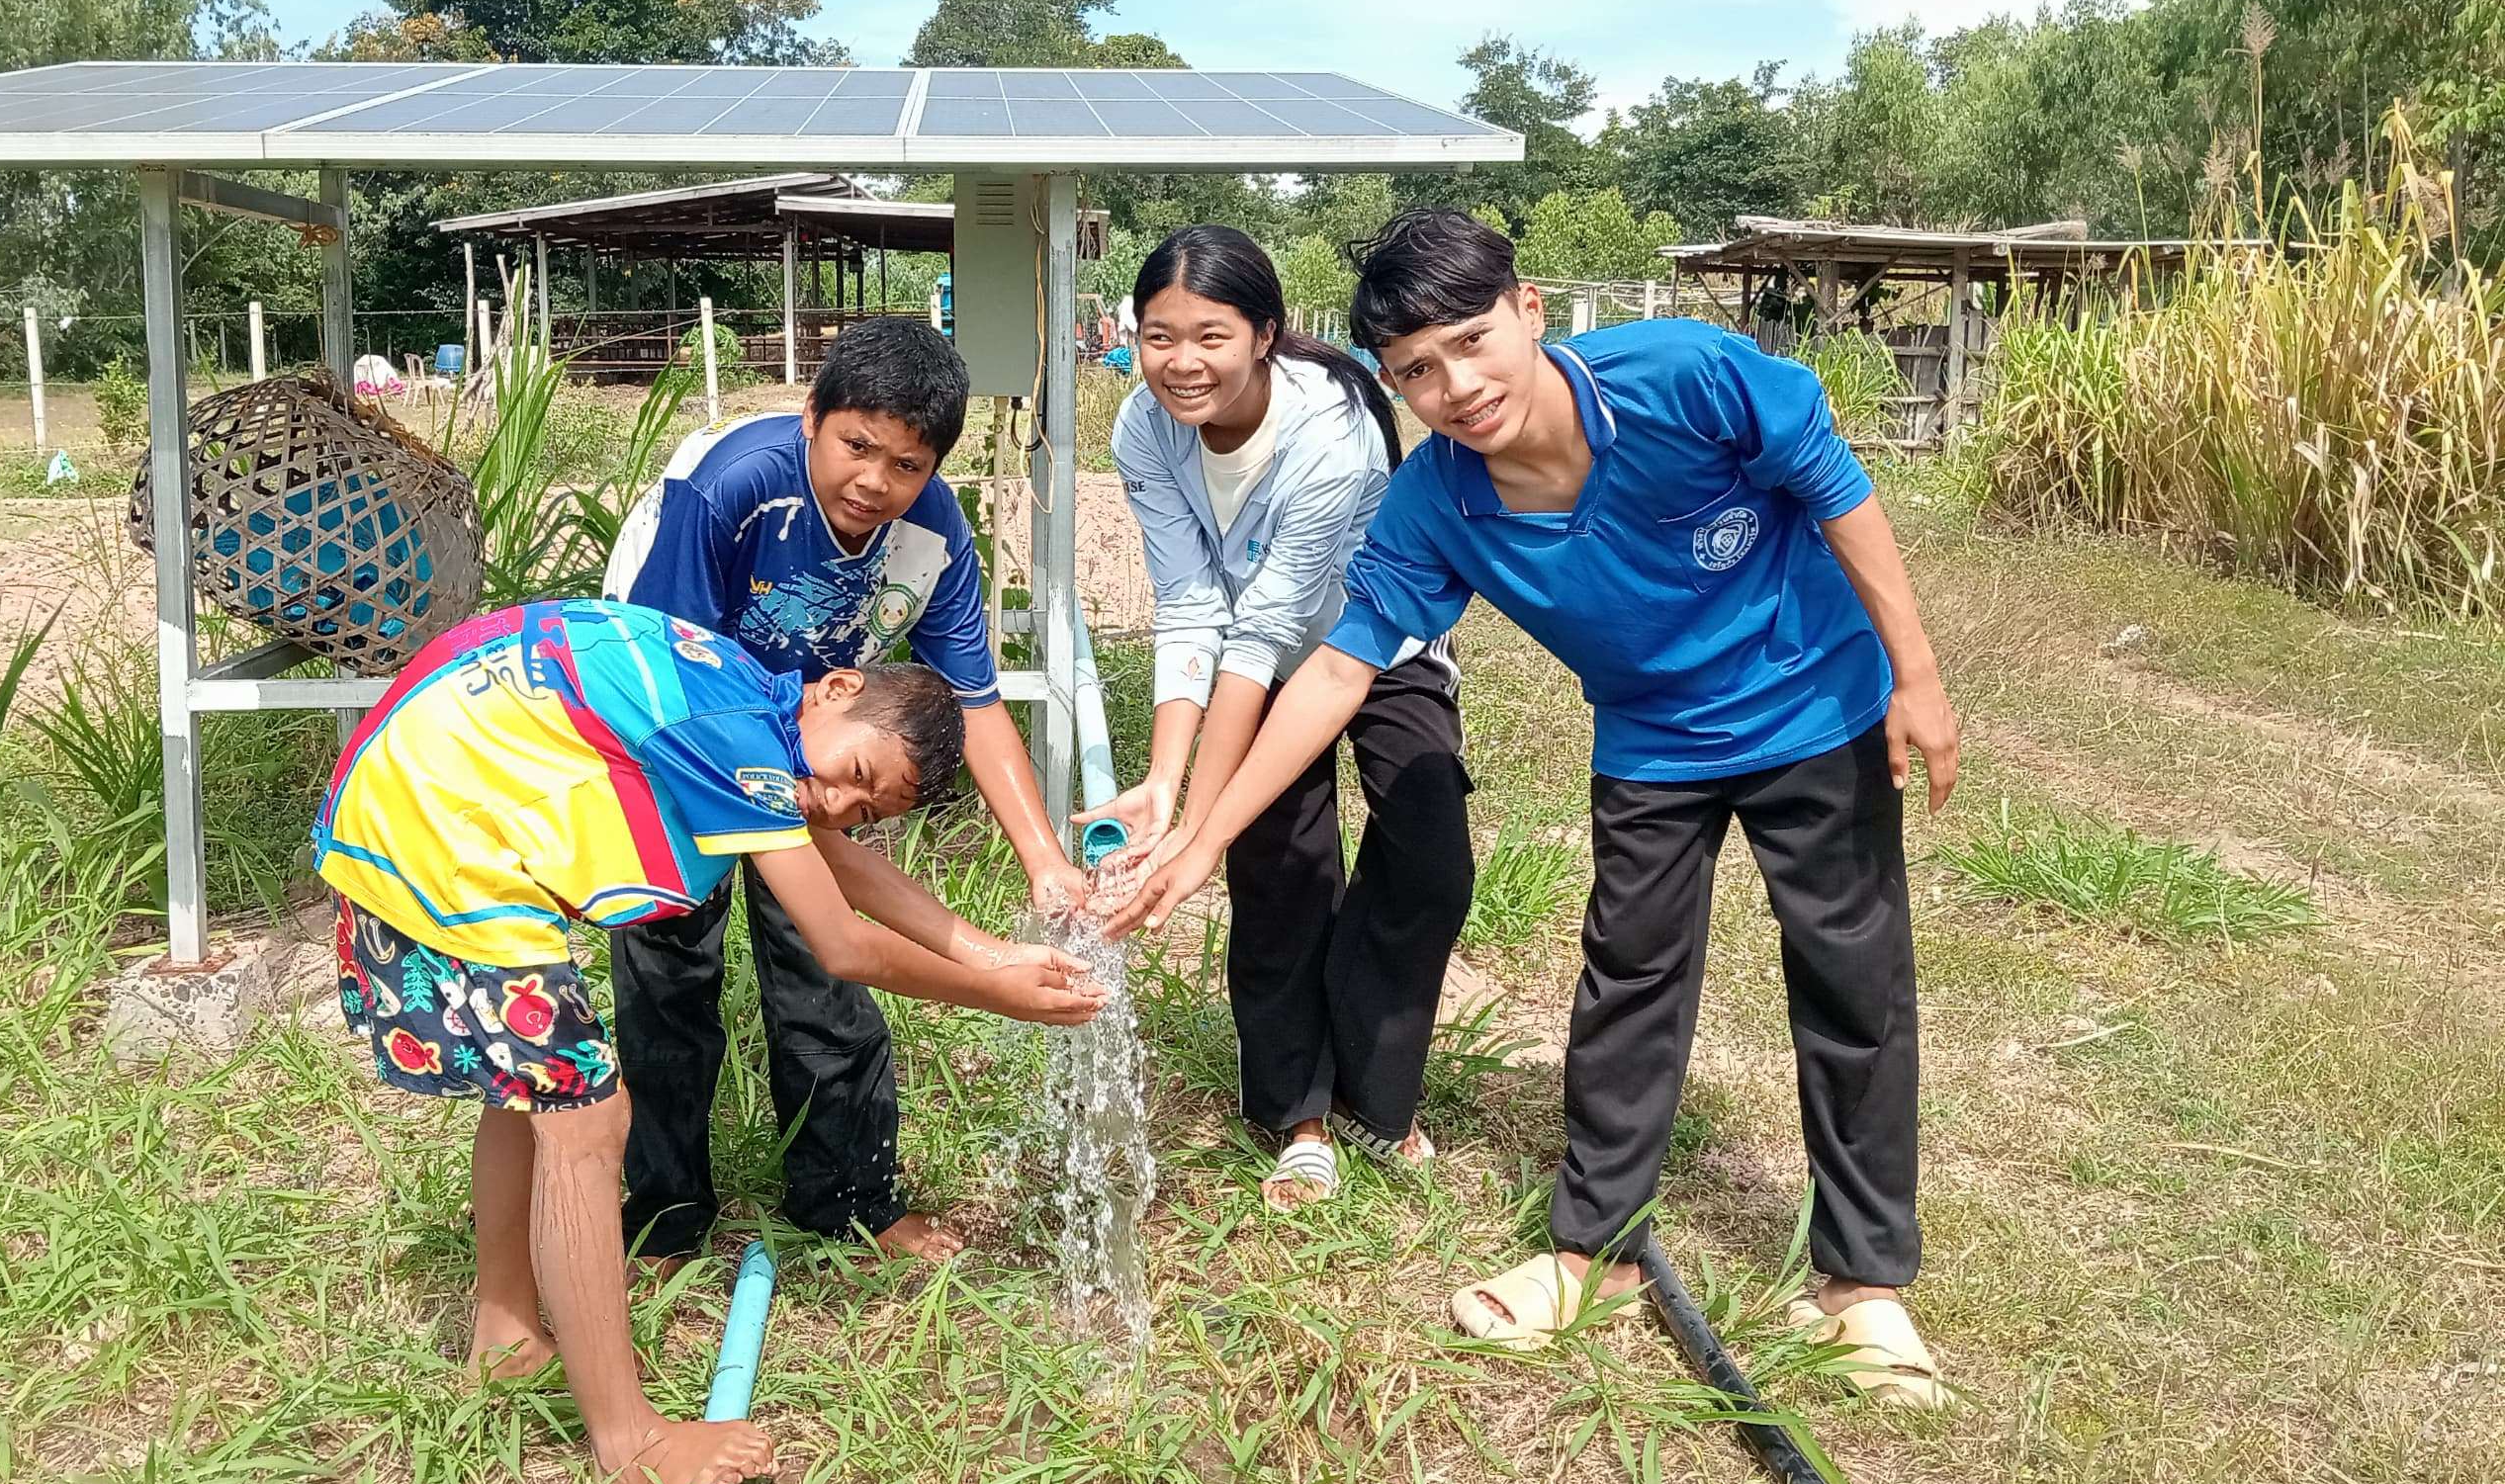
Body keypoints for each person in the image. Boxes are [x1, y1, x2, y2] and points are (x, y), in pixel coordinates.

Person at [1114, 209, 1962, 1407]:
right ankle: (1593, 1254)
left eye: (1472, 341)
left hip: (1811, 704)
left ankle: (1862, 1284)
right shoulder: (1435, 502)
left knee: (1849, 978)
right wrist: (1203, 837)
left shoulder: (1682, 376)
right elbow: (1341, 665)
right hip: (1654, 743)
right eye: (1415, 369)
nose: (1455, 385)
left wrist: (1915, 675)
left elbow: (1832, 481)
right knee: (1628, 981)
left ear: (1529, 311)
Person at [314, 598, 1103, 1484]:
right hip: (433, 825)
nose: (838, 804)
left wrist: (988, 948)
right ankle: (629, 1446)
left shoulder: (755, 706)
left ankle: (504, 1328)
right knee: (587, 1116)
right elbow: (841, 944)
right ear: (839, 688)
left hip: (414, 796)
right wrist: (996, 992)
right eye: (853, 773)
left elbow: (825, 849)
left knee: (529, 1089)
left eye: (863, 807)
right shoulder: (735, 729)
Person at [603, 316, 1091, 1268]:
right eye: (855, 445)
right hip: (677, 737)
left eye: (906, 464)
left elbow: (978, 704)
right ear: (812, 418)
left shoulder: (934, 534)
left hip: (823, 757)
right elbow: (669, 678)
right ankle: (665, 1211)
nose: (874, 480)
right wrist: (988, 975)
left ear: (934, 469)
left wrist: (1044, 861)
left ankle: (849, 1199)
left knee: (825, 981)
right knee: (670, 969)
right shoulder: (728, 489)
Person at [1081, 226, 1473, 1208]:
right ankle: (1298, 1111)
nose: (1180, 361)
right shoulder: (1143, 427)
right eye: (1157, 335)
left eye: (1208, 334)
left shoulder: (1331, 428)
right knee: (1280, 871)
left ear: (1265, 332)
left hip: (1376, 648)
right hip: (1256, 659)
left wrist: (1197, 836)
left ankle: (1378, 1098)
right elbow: (1189, 607)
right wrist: (1168, 794)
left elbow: (1264, 633)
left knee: (1429, 860)